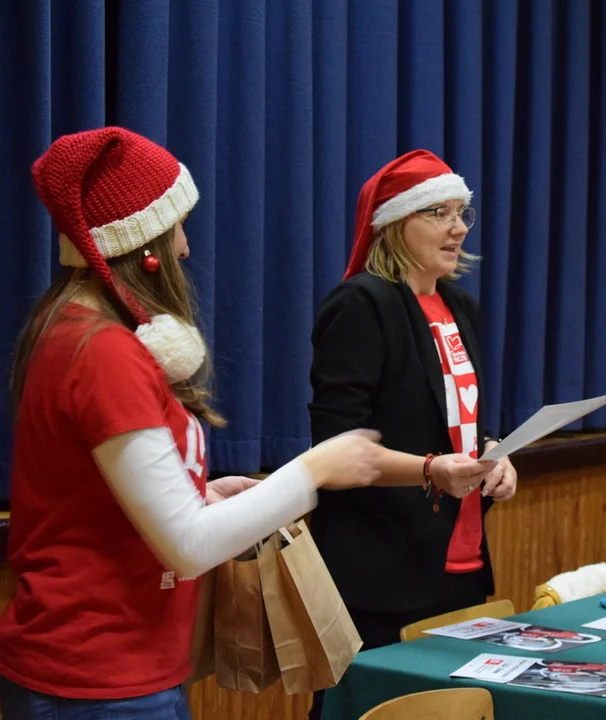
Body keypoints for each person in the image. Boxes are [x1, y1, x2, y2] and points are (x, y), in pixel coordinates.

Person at [0, 127, 383, 720]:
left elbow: (100, 503)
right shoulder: (104, 353)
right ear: (143, 248)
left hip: (110, 676)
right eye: (175, 226)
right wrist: (314, 468)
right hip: (101, 682)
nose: (184, 247)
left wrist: (201, 493)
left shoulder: (75, 332)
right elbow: (186, 545)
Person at [307, 149, 517, 717]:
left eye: (463, 212)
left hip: (462, 559)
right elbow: (334, 444)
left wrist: (496, 453)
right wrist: (430, 470)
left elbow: (460, 416)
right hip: (380, 567)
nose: (459, 228)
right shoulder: (362, 303)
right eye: (440, 214)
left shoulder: (459, 304)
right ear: (397, 225)